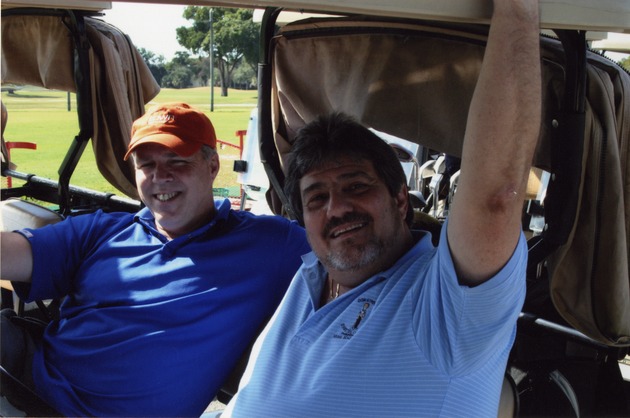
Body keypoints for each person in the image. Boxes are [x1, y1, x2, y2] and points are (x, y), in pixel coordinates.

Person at [221, 0, 542, 416]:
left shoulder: (445, 310)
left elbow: (495, 197)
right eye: (317, 198)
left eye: (356, 186)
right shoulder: (312, 274)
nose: (337, 208)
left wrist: (518, 8)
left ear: (400, 198)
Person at [0, 102, 310, 416]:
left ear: (213, 165)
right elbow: (8, 253)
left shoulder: (270, 244)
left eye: (176, 161)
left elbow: (345, 249)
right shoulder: (101, 231)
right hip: (25, 380)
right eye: (146, 165)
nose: (160, 176)